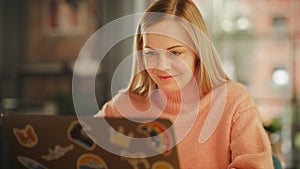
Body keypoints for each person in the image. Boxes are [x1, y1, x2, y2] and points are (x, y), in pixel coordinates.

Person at [95, 0, 274, 168]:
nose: (162, 66)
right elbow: (78, 152)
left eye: (175, 53)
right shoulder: (122, 107)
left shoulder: (234, 103)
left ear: (198, 52)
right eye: (151, 54)